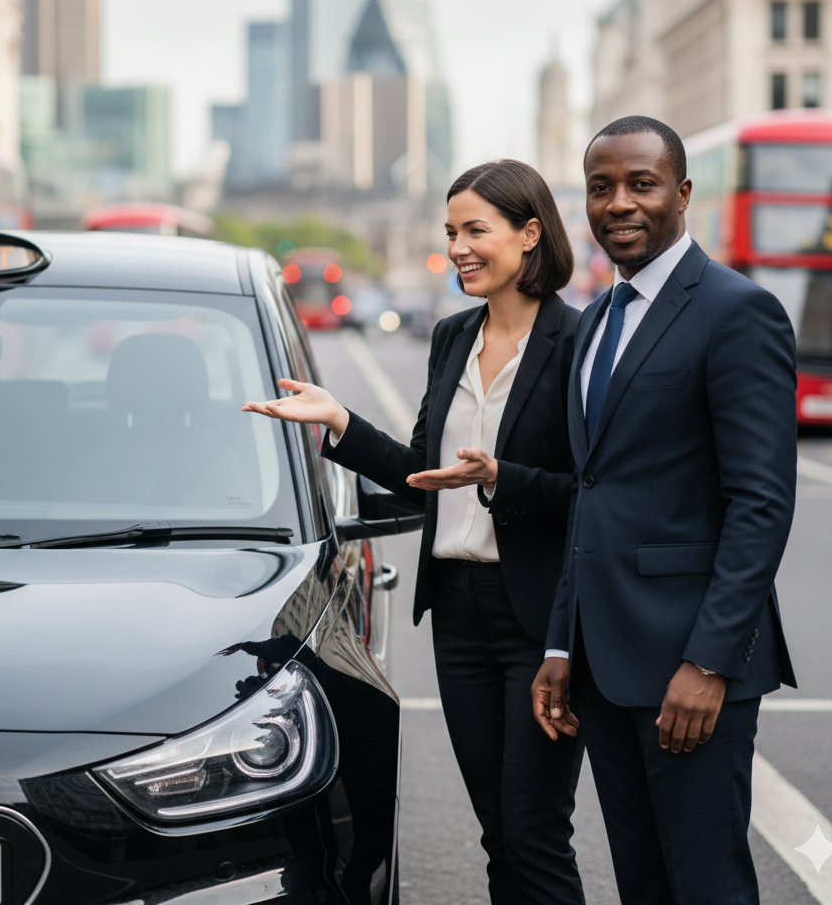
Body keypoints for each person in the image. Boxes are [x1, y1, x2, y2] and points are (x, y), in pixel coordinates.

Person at [244, 160, 585, 905]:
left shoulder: (580, 343)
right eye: (451, 232)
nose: (459, 247)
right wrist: (339, 422)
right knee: (498, 830)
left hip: (541, 621)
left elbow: (596, 494)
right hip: (460, 619)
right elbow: (417, 474)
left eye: (476, 231)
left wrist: (501, 477)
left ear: (530, 234)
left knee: (534, 831)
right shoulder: (453, 336)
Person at [532, 116, 797, 905]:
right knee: (643, 886)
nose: (619, 203)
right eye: (601, 187)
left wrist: (709, 662)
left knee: (708, 886)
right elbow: (592, 495)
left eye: (641, 184)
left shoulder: (736, 312)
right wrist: (560, 642)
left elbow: (761, 504)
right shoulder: (598, 322)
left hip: (690, 667)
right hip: (605, 668)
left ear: (682, 194)